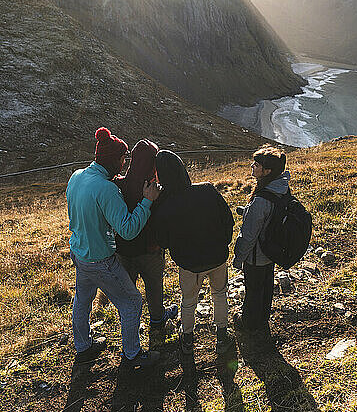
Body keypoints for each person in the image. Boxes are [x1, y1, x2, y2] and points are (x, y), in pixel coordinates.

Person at [66, 127, 161, 368]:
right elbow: (128, 230)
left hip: (79, 252)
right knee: (132, 302)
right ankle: (132, 354)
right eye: (122, 159)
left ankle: (83, 346)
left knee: (83, 299)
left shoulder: (76, 176)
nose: (123, 164)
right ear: (112, 160)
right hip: (100, 260)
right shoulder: (106, 189)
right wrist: (147, 201)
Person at [150, 150, 235, 355]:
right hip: (217, 258)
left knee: (188, 302)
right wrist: (222, 245)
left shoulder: (163, 205)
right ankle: (222, 335)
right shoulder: (207, 190)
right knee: (220, 295)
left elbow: (162, 241)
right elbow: (228, 220)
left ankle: (187, 339)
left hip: (189, 264)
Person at [114, 139, 178, 328]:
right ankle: (157, 319)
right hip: (150, 250)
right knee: (154, 287)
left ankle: (129, 324)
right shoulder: (156, 190)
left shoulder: (118, 184)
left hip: (123, 250)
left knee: (127, 291)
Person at [232, 146, 289, 337]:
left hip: (256, 255)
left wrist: (239, 257)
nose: (252, 166)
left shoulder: (260, 199)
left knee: (253, 290)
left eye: (256, 164)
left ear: (267, 171)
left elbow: (249, 235)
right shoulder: (281, 187)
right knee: (266, 286)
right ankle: (263, 318)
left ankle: (248, 323)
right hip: (271, 250)